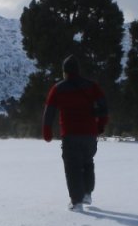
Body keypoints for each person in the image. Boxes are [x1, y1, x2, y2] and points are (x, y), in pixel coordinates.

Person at [42, 55, 109, 211]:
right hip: (90, 134)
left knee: (72, 167)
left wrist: (47, 131)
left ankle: (76, 202)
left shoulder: (58, 88)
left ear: (65, 71)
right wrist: (100, 126)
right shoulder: (92, 86)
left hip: (70, 134)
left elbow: (49, 111)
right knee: (87, 162)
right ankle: (87, 193)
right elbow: (104, 108)